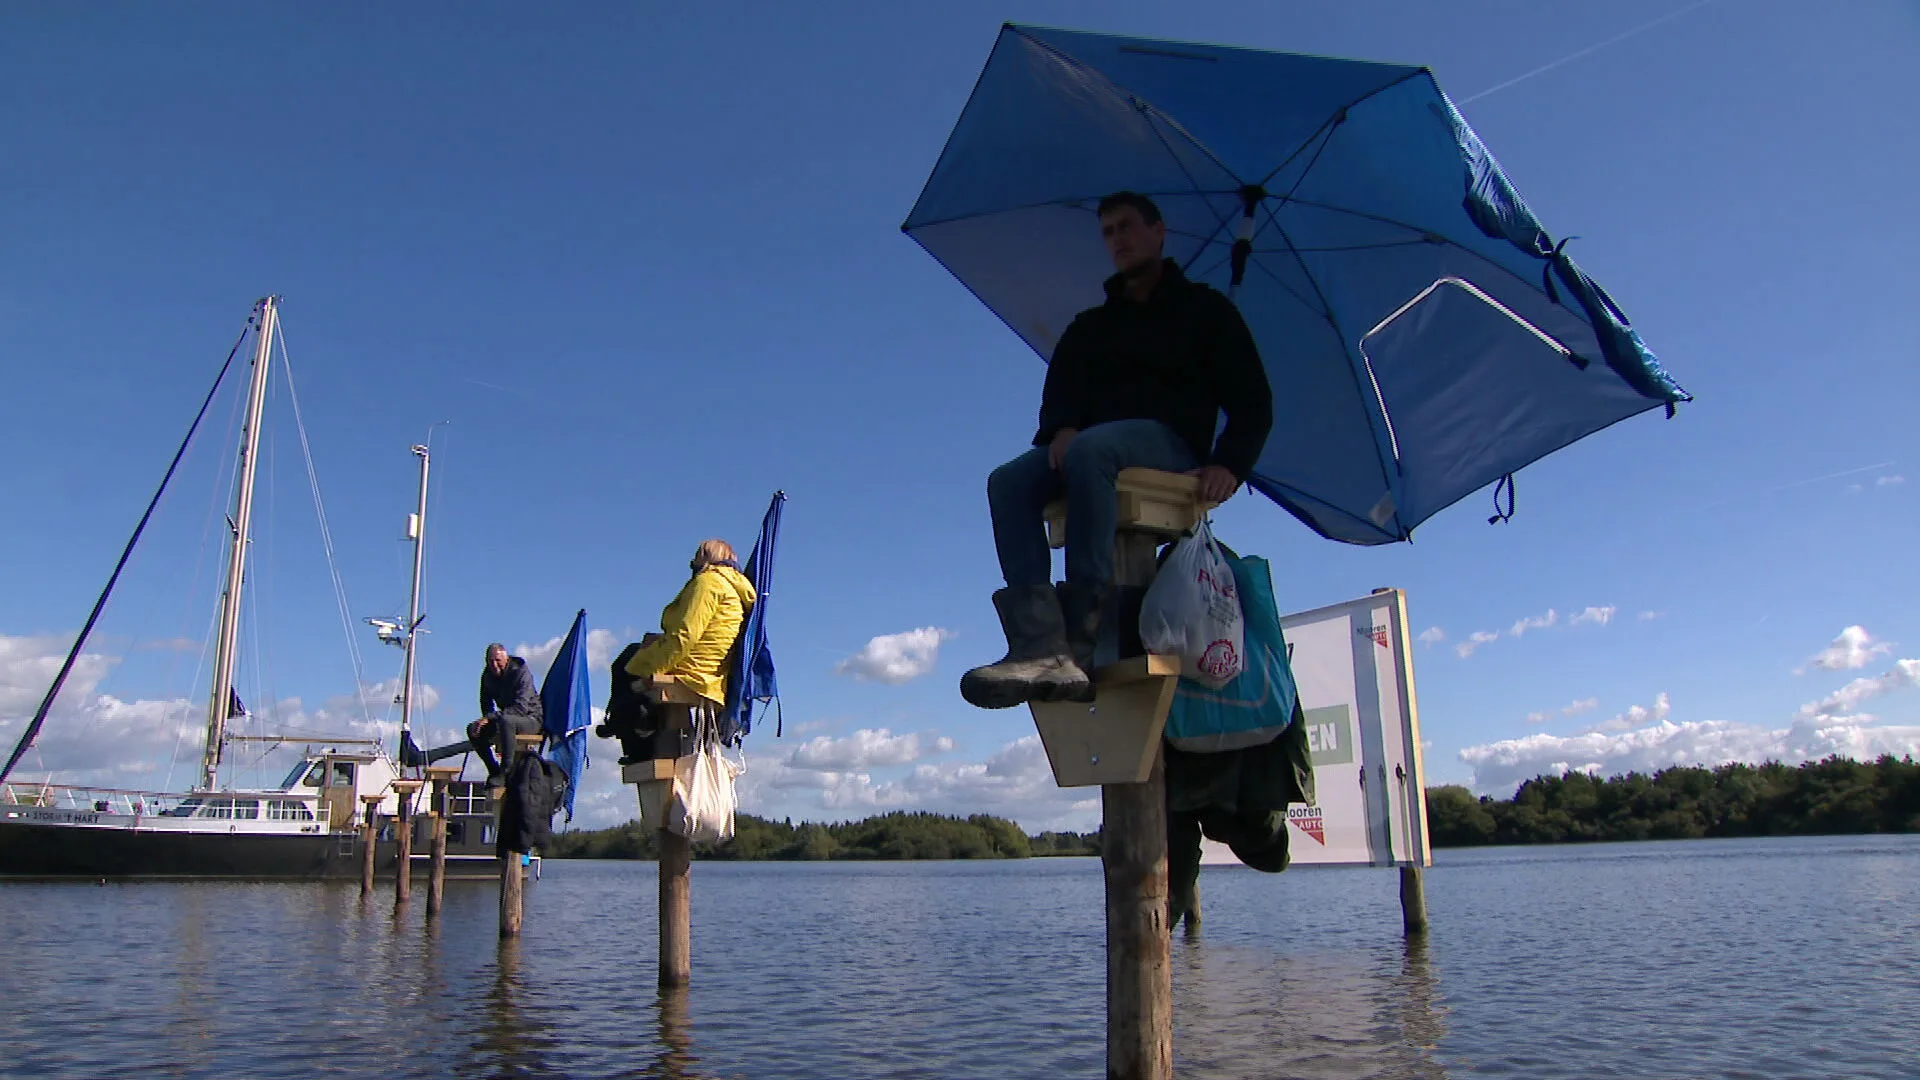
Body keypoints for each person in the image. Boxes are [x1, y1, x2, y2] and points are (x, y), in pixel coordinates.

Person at [960, 191, 1274, 709]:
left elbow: (1254, 402)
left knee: (1092, 450)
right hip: (1092, 445)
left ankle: (1081, 641)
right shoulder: (1092, 326)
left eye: (1127, 226)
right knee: (1008, 481)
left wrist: (1230, 462)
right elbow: (1062, 388)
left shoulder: (1207, 312)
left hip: (1170, 443)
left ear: (1158, 232)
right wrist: (1061, 427)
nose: (1117, 239)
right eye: (1108, 232)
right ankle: (1038, 643)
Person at [621, 538, 757, 748]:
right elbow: (709, 631)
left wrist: (655, 670)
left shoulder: (708, 583)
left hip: (695, 665)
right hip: (715, 665)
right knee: (635, 657)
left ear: (706, 557)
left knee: (625, 666)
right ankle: (640, 720)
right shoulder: (734, 587)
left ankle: (635, 733)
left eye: (697, 555)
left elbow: (686, 634)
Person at [400, 643, 545, 784]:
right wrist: (485, 722)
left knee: (507, 721)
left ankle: (505, 771)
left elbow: (520, 708)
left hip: (531, 719)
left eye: (498, 661)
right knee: (473, 728)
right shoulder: (487, 676)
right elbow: (486, 704)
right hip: (504, 719)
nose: (494, 665)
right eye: (490, 661)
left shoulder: (520, 672)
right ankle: (493, 770)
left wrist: (490, 717)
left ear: (506, 659)